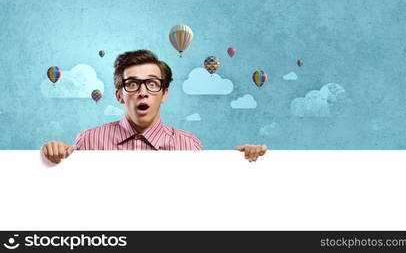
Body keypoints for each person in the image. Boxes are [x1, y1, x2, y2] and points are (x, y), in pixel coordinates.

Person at [41, 49, 267, 164]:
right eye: (132, 84)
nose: (142, 91)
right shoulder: (88, 141)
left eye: (151, 83)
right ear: (119, 95)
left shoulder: (189, 146)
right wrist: (52, 156)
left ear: (164, 94)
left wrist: (247, 163)